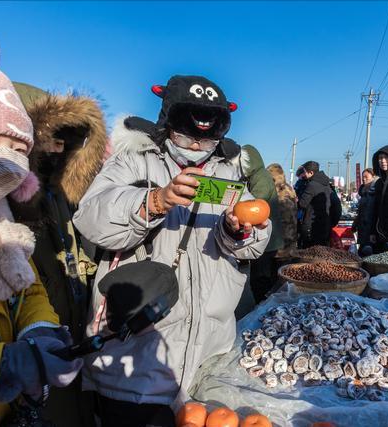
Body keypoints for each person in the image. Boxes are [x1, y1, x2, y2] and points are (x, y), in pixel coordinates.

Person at [73, 75, 271, 426]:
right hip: (134, 360)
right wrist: (154, 201)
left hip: (208, 357)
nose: (196, 146)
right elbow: (90, 218)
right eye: (187, 135)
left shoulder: (228, 173)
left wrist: (235, 231)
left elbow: (255, 237)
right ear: (167, 125)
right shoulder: (134, 160)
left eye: (207, 137)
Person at [0, 15, 82, 427]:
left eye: (16, 147)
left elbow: (27, 287)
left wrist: (39, 327)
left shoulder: (1, 223)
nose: (4, 163)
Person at [10, 82, 109, 427]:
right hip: (25, 358)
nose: (56, 149)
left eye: (64, 142)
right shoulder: (1, 199)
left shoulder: (61, 195)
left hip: (68, 344)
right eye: (47, 138)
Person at [238, 145, 283, 304]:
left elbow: (254, 204)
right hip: (268, 236)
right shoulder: (257, 176)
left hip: (267, 238)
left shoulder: (261, 177)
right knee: (264, 277)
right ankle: (266, 306)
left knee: (260, 279)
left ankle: (263, 309)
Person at [297, 161, 333, 248]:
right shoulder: (327, 184)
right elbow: (335, 205)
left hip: (312, 226)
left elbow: (302, 204)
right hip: (325, 225)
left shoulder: (312, 185)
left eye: (305, 172)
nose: (304, 174)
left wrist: (296, 200)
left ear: (311, 172)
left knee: (309, 255)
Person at [267, 163, 298, 258]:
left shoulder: (276, 192)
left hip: (279, 242)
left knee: (276, 269)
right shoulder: (289, 189)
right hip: (291, 238)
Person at [351, 168, 377, 255]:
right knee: (362, 252)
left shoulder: (376, 193)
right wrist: (355, 223)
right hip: (362, 228)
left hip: (371, 229)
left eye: (366, 177)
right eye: (363, 177)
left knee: (369, 253)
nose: (364, 179)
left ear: (373, 177)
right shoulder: (363, 193)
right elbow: (361, 211)